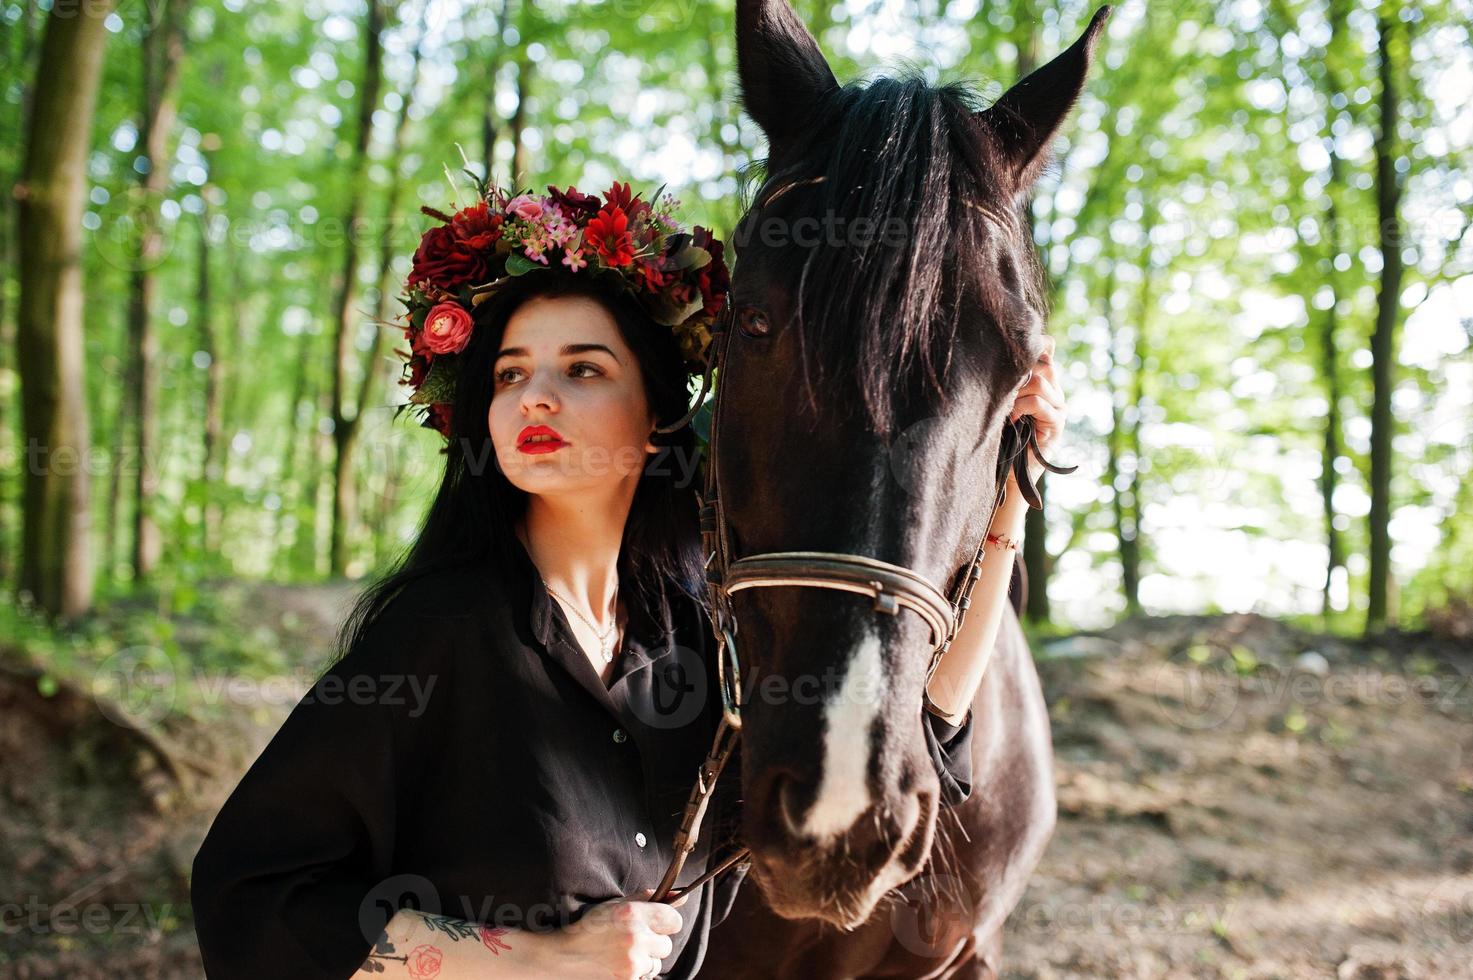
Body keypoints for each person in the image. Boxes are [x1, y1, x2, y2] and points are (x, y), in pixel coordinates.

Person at [189, 175, 1055, 979]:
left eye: (583, 369)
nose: (535, 395)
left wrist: (1012, 491)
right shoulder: (441, 631)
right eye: (509, 373)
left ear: (658, 423)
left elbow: (929, 724)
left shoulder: (694, 637)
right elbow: (254, 900)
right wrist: (538, 958)